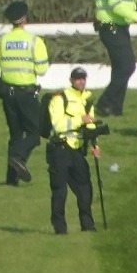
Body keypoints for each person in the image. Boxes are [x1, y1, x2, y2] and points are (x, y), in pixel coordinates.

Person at [0, 0, 50, 186]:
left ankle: (11, 179)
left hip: (7, 94)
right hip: (26, 94)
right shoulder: (34, 42)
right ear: (25, 19)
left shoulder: (2, 41)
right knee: (35, 134)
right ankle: (18, 157)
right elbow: (42, 69)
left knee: (15, 135)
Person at [46, 68, 101, 235]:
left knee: (85, 188)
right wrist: (80, 120)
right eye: (77, 79)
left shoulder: (88, 100)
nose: (81, 81)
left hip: (78, 149)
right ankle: (60, 229)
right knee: (59, 191)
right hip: (60, 148)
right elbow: (58, 125)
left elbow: (90, 125)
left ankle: (88, 226)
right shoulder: (59, 98)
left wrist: (95, 145)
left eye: (83, 78)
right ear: (71, 80)